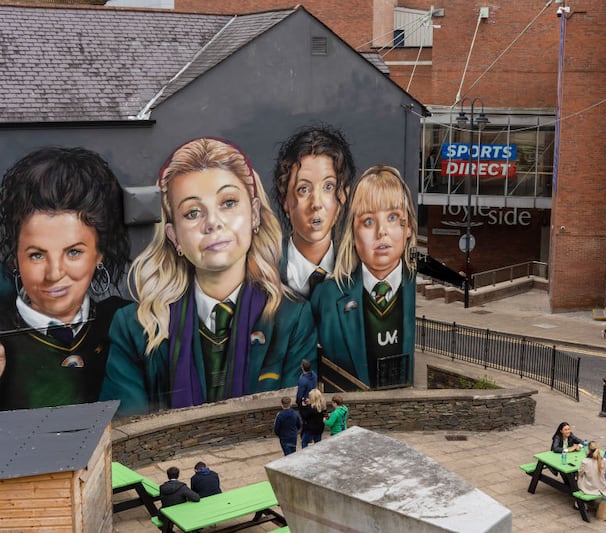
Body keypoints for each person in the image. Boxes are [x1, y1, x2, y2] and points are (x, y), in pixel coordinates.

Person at [100, 138, 317, 416]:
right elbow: (127, 432)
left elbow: (295, 421)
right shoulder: (134, 328)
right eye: (192, 212)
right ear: (174, 236)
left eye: (228, 203)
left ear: (253, 215)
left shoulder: (292, 319)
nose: (212, 222)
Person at [0, 146, 130, 410]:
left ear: (99, 253)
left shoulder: (126, 322)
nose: (54, 273)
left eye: (73, 252)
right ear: (15, 256)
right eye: (37, 255)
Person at [311, 165, 417, 390]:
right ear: (353, 231)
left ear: (408, 227)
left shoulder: (417, 289)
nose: (381, 231)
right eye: (368, 221)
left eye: (393, 217)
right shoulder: (326, 296)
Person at [272, 125, 355, 299]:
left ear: (343, 195)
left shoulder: (358, 272)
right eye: (303, 189)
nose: (316, 204)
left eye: (328, 187)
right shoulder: (264, 272)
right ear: (285, 200)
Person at [159, 466, 200, 532]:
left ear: (168, 475)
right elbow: (196, 498)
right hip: (181, 514)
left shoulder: (162, 487)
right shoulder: (182, 487)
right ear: (178, 475)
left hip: (165, 515)